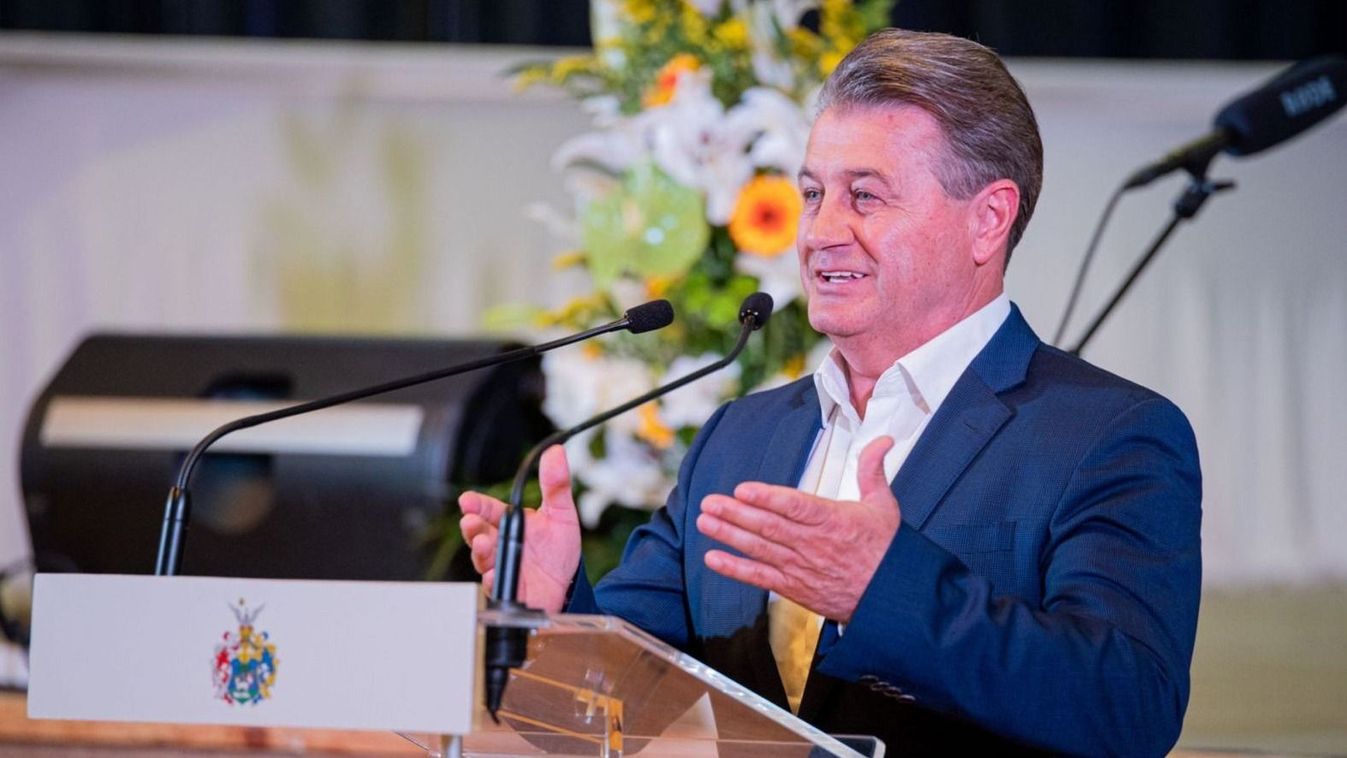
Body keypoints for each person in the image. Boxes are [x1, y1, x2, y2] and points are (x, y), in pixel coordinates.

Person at [461, 28, 1201, 757]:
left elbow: (1129, 706)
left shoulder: (1106, 436)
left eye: (865, 196)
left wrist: (885, 591)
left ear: (987, 220)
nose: (820, 232)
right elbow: (596, 715)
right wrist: (554, 613)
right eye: (813, 193)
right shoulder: (741, 438)